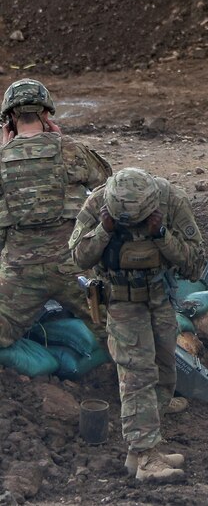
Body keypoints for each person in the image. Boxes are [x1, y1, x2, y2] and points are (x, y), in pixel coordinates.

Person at [69, 168, 205, 483]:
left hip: (158, 298)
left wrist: (161, 236)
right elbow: (78, 255)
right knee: (137, 376)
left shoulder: (172, 200)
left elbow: (195, 264)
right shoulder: (99, 202)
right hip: (120, 301)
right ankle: (146, 458)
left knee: (164, 375)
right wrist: (104, 230)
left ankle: (140, 450)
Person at [0, 78, 112, 349]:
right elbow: (107, 186)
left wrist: (5, 150)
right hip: (75, 267)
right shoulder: (71, 150)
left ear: (11, 119)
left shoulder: (1, 159)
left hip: (19, 274)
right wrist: (61, 142)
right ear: (46, 114)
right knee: (116, 328)